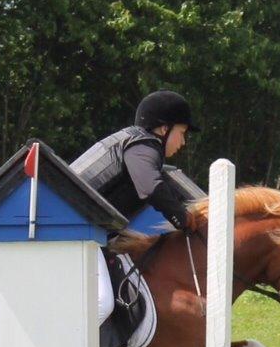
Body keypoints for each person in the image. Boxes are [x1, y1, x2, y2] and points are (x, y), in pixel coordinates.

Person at [70, 89, 200, 325]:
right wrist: (183, 218)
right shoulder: (143, 144)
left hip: (81, 233)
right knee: (101, 303)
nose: (183, 142)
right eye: (181, 133)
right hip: (71, 234)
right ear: (163, 129)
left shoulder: (137, 144)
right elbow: (151, 187)